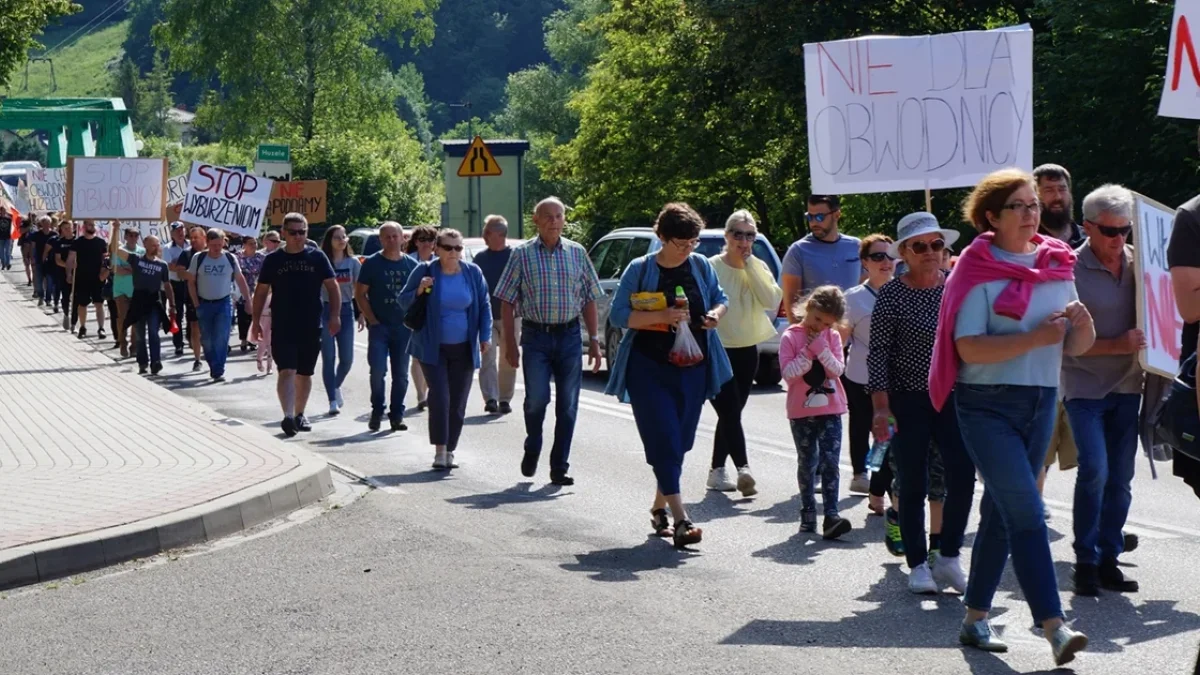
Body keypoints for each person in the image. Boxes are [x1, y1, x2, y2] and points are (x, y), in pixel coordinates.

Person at [933, 168, 1094, 664]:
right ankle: (1054, 626)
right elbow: (969, 348)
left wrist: (1083, 326)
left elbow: (1076, 347)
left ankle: (975, 618)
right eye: (1019, 206)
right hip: (985, 404)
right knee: (1026, 511)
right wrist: (1032, 338)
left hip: (1043, 401)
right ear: (991, 217)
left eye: (1034, 205)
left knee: (1002, 514)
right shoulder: (975, 267)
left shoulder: (1057, 262)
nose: (1031, 214)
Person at [604, 202, 731, 548]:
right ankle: (681, 518)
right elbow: (618, 315)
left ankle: (659, 507)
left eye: (692, 241)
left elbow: (721, 298)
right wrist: (662, 316)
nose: (688, 248)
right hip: (648, 367)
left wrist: (715, 316)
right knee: (663, 438)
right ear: (661, 237)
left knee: (682, 441)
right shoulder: (640, 268)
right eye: (680, 242)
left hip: (693, 366)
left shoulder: (701, 266)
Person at [868, 212, 976, 595]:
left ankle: (947, 556)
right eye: (920, 246)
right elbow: (877, 353)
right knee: (912, 481)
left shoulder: (956, 289)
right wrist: (881, 408)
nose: (930, 252)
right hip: (907, 399)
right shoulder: (892, 295)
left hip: (951, 396)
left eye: (937, 245)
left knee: (962, 475)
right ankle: (917, 564)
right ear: (905, 253)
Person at [1062, 184, 1145, 596]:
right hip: (1083, 385)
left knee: (1122, 477)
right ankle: (1085, 561)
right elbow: (1064, 338)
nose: (1119, 240)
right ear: (1087, 227)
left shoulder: (1140, 265)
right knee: (1094, 469)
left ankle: (1110, 558)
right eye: (1110, 231)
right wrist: (1119, 345)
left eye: (1125, 230)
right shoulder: (1067, 270)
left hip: (1129, 384)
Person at [495, 196, 605, 486]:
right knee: (537, 400)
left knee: (568, 404)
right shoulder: (522, 254)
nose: (554, 221)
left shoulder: (577, 253)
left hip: (569, 336)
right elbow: (506, 300)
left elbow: (590, 298)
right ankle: (533, 444)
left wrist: (594, 340)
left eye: (559, 216)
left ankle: (560, 466)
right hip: (535, 337)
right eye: (548, 216)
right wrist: (510, 343)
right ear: (536, 220)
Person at [400, 228, 492, 468]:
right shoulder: (425, 270)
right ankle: (440, 451)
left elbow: (484, 305)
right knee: (440, 396)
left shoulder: (472, 273)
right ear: (437, 249)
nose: (454, 252)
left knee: (458, 401)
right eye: (448, 248)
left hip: (464, 347)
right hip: (432, 346)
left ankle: (450, 449)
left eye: (458, 248)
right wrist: (420, 289)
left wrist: (485, 335)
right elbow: (403, 299)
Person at [706, 209, 780, 497]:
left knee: (732, 412)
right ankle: (743, 469)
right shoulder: (710, 265)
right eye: (738, 234)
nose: (744, 241)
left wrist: (750, 266)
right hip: (717, 348)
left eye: (750, 235)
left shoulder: (757, 265)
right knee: (729, 411)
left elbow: (772, 300)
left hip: (748, 348)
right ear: (727, 236)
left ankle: (716, 470)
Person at [252, 214, 338, 437]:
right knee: (287, 370)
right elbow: (261, 292)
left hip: (311, 323)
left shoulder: (317, 257)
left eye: (303, 232)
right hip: (282, 323)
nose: (298, 236)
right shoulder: (273, 260)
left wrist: (335, 315)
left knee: (304, 373)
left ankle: (300, 413)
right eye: (293, 232)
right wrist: (255, 321)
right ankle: (288, 416)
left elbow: (332, 286)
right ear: (283, 233)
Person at [781, 286, 855, 539]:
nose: (820, 327)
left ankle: (831, 515)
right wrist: (807, 352)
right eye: (817, 320)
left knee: (831, 463)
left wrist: (822, 348)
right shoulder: (791, 336)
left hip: (831, 409)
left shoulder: (831, 337)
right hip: (801, 412)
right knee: (808, 462)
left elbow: (836, 370)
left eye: (827, 323)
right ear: (809, 307)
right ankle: (808, 513)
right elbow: (789, 374)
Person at [1033, 163, 1084, 501]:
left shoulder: (1092, 237)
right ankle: (1029, 508)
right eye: (1048, 190)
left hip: (1088, 360)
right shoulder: (1027, 242)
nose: (1056, 196)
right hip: (1043, 358)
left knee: (1091, 450)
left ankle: (1100, 524)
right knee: (1040, 445)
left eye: (1061, 189)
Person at [842, 234, 895, 509]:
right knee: (866, 428)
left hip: (898, 379)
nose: (886, 262)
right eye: (878, 256)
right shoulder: (853, 299)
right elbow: (839, 340)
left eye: (890, 256)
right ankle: (861, 474)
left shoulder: (906, 291)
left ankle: (878, 487)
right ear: (865, 262)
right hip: (861, 376)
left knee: (889, 436)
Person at [356, 222, 418, 431]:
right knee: (377, 372)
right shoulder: (372, 263)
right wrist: (371, 319)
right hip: (379, 327)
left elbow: (419, 296)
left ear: (403, 238)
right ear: (380, 240)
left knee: (401, 374)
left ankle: (397, 415)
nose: (391, 240)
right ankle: (377, 410)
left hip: (403, 329)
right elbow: (360, 294)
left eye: (395, 236)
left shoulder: (411, 265)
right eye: (387, 237)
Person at [780, 195, 862, 321]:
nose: (813, 223)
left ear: (836, 215)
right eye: (809, 217)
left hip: (853, 333)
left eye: (819, 217)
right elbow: (792, 304)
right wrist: (800, 337)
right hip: (816, 334)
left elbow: (866, 291)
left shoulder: (856, 246)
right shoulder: (798, 251)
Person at [109, 223, 175, 375]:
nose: (156, 248)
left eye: (157, 245)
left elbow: (167, 285)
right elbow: (116, 250)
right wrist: (116, 229)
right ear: (145, 245)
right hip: (138, 300)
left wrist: (172, 305)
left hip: (154, 302)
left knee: (153, 332)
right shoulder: (136, 260)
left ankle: (156, 361)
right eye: (153, 245)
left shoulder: (162, 265)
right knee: (139, 334)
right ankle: (142, 362)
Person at [187, 228, 251, 382]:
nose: (217, 248)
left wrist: (248, 300)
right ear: (207, 243)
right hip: (204, 303)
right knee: (207, 339)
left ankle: (218, 369)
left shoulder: (229, 258)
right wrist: (196, 303)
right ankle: (213, 363)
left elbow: (240, 279)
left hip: (224, 303)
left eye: (220, 244)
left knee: (221, 337)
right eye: (214, 245)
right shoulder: (199, 258)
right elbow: (191, 281)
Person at [473, 215, 518, 414]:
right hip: (486, 316)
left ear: (499, 235)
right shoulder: (480, 258)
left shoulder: (515, 257)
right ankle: (490, 398)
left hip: (512, 316)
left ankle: (505, 399)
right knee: (487, 357)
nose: (483, 235)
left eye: (487, 232)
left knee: (509, 358)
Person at [320, 225, 361, 415]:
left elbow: (360, 291)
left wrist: (361, 313)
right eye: (337, 237)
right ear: (330, 240)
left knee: (347, 359)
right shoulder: (322, 262)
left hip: (346, 309)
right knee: (328, 357)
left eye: (344, 236)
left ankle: (336, 386)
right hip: (325, 310)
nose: (342, 240)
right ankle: (331, 400)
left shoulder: (353, 263)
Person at [406, 224, 438, 411]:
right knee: (416, 357)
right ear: (416, 242)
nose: (426, 244)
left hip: (434, 315)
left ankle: (425, 391)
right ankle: (420, 395)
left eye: (430, 240)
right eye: (422, 240)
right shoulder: (409, 262)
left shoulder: (440, 262)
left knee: (429, 357)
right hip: (413, 315)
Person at [67, 219, 109, 340]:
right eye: (89, 224)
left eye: (93, 224)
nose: (92, 226)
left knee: (99, 304)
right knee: (82, 304)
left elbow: (105, 260)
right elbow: (70, 258)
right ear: (84, 226)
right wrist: (69, 273)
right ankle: (83, 326)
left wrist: (106, 271)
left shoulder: (101, 243)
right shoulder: (77, 242)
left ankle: (101, 328)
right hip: (82, 277)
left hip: (97, 278)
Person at [175, 226, 209, 370]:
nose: (193, 240)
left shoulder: (213, 253)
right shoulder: (186, 254)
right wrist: (193, 276)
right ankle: (197, 359)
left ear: (204, 238)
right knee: (195, 326)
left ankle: (211, 352)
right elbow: (180, 273)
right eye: (192, 237)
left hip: (212, 296)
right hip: (191, 296)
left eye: (196, 237)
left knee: (210, 328)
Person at [111, 226, 146, 358]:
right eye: (130, 235)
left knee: (136, 320)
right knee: (123, 318)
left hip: (137, 290)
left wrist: (127, 268)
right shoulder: (119, 251)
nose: (133, 238)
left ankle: (134, 345)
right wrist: (133, 268)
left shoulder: (142, 251)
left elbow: (142, 270)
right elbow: (117, 270)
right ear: (125, 237)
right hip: (121, 290)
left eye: (135, 235)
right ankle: (122, 342)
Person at [1034, 163, 1086, 248]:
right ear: (1035, 195)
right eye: (1049, 190)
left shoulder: (1089, 241)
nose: (1058, 196)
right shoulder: (1028, 244)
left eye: (1062, 189)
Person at [163, 223, 190, 357]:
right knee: (177, 314)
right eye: (176, 231)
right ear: (171, 233)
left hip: (189, 283)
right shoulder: (167, 248)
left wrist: (179, 266)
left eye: (181, 230)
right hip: (175, 284)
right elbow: (169, 266)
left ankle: (191, 337)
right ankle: (178, 343)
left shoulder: (191, 245)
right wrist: (186, 267)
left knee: (192, 312)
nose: (180, 232)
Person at [236, 235, 266, 353]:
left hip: (257, 289)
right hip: (242, 289)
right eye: (250, 243)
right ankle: (243, 339)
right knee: (242, 315)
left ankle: (253, 339)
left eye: (255, 243)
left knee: (255, 315)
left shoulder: (261, 257)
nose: (254, 245)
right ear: (244, 244)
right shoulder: (238, 257)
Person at [49, 219, 76, 330]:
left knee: (77, 298)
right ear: (62, 230)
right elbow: (58, 260)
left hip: (78, 273)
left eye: (69, 227)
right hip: (63, 273)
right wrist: (68, 266)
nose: (68, 230)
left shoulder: (78, 241)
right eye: (65, 228)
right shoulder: (59, 242)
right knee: (65, 296)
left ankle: (74, 321)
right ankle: (66, 314)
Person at [30, 216, 55, 306]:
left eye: (48, 223)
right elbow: (33, 247)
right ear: (41, 224)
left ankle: (48, 299)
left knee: (50, 281)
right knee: (39, 280)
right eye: (44, 223)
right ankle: (41, 296)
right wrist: (32, 258)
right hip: (39, 260)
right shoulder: (36, 235)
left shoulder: (54, 234)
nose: (46, 225)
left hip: (51, 261)